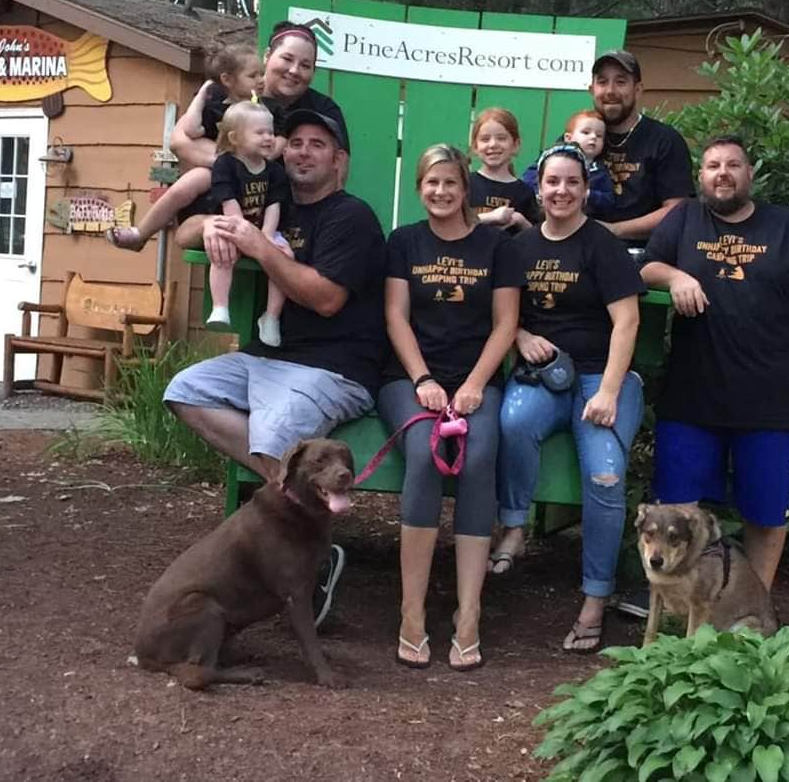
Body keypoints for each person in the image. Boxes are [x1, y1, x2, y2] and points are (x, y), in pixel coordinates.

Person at [164, 109, 385, 627]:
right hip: (270, 360)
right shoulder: (271, 204)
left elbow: (326, 298)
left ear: (340, 161)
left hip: (335, 368)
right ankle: (312, 534)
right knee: (184, 388)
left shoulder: (351, 217)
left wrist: (259, 246)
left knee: (273, 434)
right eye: (297, 143)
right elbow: (181, 232)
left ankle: (307, 546)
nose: (303, 152)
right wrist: (212, 226)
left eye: (318, 145)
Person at [634, 134, 789, 615]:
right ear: (701, 176)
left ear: (749, 174)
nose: (722, 173)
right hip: (693, 397)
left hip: (775, 399)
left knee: (766, 515)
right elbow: (646, 266)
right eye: (712, 165)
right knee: (677, 508)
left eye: (733, 164)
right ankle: (682, 615)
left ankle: (752, 613)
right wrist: (676, 276)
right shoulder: (684, 219)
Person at [493, 144, 645, 654]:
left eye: (572, 183)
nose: (561, 191)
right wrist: (520, 338)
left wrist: (607, 390)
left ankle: (594, 599)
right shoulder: (519, 248)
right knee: (512, 421)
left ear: (585, 190)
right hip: (543, 375)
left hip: (601, 378)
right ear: (538, 189)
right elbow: (503, 316)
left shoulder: (600, 245)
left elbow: (628, 320)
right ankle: (513, 526)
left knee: (605, 474)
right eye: (552, 182)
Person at [380, 144, 524, 671]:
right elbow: (396, 317)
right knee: (424, 451)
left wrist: (473, 385)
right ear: (419, 188)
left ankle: (469, 613)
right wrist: (422, 379)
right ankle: (412, 613)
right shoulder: (404, 242)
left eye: (450, 183)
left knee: (480, 450)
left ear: (467, 189)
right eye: (430, 183)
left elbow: (506, 324)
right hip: (408, 378)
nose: (440, 192)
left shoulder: (496, 247)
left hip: (476, 382)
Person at [108, 22, 349, 252]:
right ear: (268, 57)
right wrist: (234, 164)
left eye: (306, 65)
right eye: (287, 59)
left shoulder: (320, 110)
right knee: (192, 191)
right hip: (217, 201)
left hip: (276, 209)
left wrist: (234, 159)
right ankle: (141, 233)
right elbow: (180, 141)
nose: (294, 70)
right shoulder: (225, 92)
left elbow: (336, 174)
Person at [106, 41, 266, 251]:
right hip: (217, 170)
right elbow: (191, 131)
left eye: (261, 74)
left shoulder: (261, 108)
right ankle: (141, 233)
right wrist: (201, 96)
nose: (261, 81)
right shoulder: (216, 105)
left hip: (250, 172)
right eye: (253, 76)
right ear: (227, 79)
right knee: (188, 183)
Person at [588, 49, 695, 248]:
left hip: (645, 254)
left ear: (638, 90)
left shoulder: (664, 140)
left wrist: (615, 230)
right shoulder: (578, 137)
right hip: (584, 249)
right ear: (592, 90)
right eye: (602, 82)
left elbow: (678, 209)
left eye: (620, 82)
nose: (610, 91)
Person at [205, 101, 291, 346]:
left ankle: (271, 316)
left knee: (285, 255)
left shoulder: (275, 171)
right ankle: (220, 305)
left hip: (264, 230)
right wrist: (241, 233)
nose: (269, 138)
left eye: (271, 132)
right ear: (235, 137)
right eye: (260, 132)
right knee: (222, 251)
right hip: (233, 224)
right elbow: (228, 201)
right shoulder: (225, 165)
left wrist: (265, 237)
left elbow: (274, 205)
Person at [521, 109, 615, 219]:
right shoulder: (553, 158)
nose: (593, 137)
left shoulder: (601, 171)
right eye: (586, 132)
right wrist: (541, 191)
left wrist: (588, 194)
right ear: (568, 138)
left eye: (599, 136)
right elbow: (528, 177)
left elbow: (609, 201)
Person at [467, 108, 538, 233]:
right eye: (485, 139)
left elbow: (537, 238)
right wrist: (490, 217)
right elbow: (452, 222)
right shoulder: (465, 183)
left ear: (516, 145)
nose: (493, 144)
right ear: (475, 147)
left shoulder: (524, 192)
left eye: (501, 138)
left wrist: (520, 220)